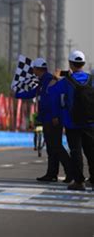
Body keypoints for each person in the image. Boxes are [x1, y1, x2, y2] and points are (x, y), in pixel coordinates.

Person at [11, 57, 73, 183]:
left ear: (38, 69)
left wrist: (55, 115)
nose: (33, 70)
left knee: (56, 147)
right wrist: (17, 95)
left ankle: (71, 172)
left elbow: (54, 99)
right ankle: (52, 174)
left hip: (53, 119)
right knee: (51, 148)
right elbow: (32, 93)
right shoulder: (42, 82)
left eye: (34, 68)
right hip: (47, 118)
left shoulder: (50, 80)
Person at [50, 50, 94, 191]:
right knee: (91, 151)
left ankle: (79, 181)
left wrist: (56, 78)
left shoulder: (66, 81)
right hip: (90, 122)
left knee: (76, 152)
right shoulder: (91, 79)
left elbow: (51, 92)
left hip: (72, 123)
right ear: (83, 64)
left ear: (70, 64)